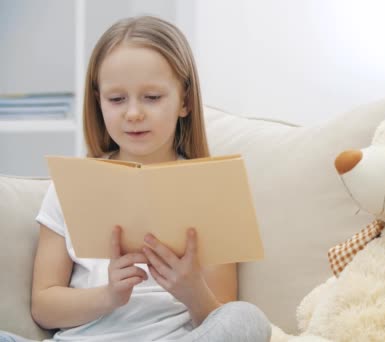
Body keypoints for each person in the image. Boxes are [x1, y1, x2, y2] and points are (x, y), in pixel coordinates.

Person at [0, 16, 271, 342]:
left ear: (184, 101)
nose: (133, 114)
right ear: (98, 102)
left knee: (246, 319)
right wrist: (109, 295)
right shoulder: (69, 187)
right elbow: (44, 306)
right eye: (116, 100)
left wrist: (191, 290)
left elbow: (223, 316)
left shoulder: (213, 190)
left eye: (152, 97)